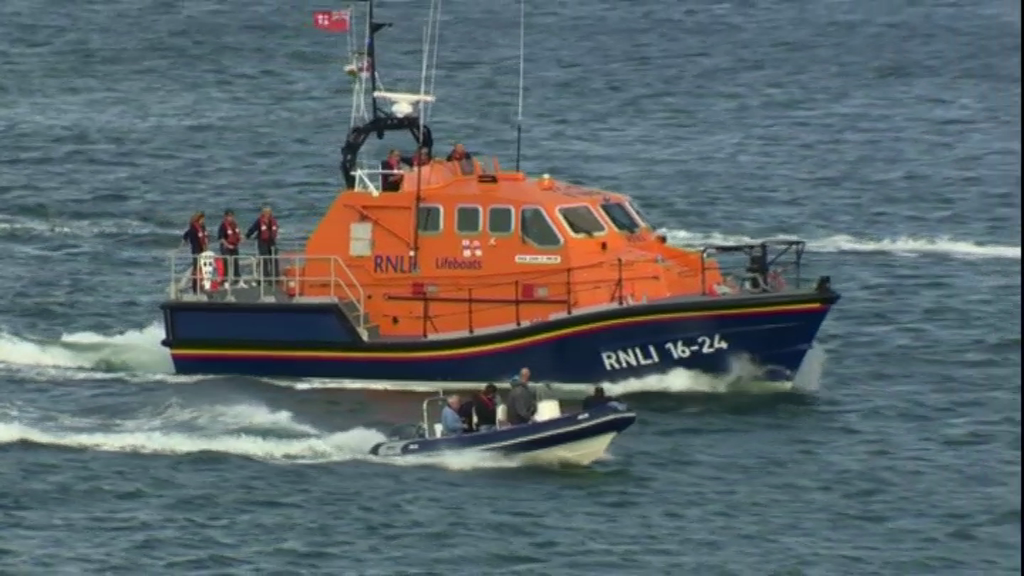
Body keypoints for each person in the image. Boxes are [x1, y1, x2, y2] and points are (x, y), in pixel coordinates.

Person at [245, 206, 279, 284]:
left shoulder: (273, 221)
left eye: (268, 212)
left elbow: (275, 230)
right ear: (263, 213)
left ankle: (275, 277)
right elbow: (253, 229)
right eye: (265, 212)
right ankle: (265, 277)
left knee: (274, 259)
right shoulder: (259, 221)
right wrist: (247, 236)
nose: (267, 214)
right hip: (262, 242)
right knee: (264, 259)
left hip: (272, 242)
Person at [181, 212, 208, 294]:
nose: (203, 220)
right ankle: (195, 288)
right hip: (196, 250)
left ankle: (202, 286)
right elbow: (186, 235)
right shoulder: (193, 228)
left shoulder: (202, 227)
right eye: (202, 219)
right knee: (196, 270)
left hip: (203, 250)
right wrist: (184, 243)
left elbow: (205, 238)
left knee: (203, 269)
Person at [217, 209, 243, 287]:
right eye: (228, 216)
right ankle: (225, 280)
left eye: (231, 216)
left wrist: (241, 238)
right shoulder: (223, 226)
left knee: (236, 262)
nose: (230, 218)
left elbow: (238, 233)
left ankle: (237, 279)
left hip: (234, 246)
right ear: (225, 217)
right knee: (226, 263)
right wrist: (227, 245)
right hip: (226, 247)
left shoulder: (235, 224)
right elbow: (221, 238)